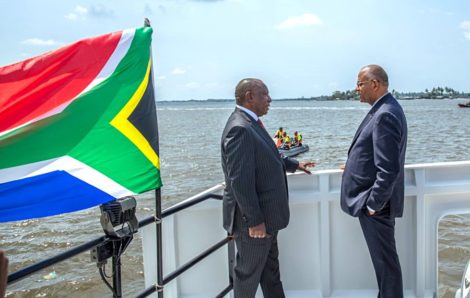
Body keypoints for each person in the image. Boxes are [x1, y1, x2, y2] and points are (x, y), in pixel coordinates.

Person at [221, 78, 314, 298]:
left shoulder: (251, 123)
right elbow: (240, 181)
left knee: (271, 274)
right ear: (249, 97)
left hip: (268, 220)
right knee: (247, 278)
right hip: (254, 224)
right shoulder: (240, 128)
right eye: (265, 94)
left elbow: (267, 155)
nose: (269, 99)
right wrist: (254, 221)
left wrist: (294, 164)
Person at [340, 65, 408, 298]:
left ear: (375, 84)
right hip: (377, 204)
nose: (356, 89)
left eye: (360, 83)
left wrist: (372, 205)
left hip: (377, 207)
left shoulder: (385, 114)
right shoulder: (384, 109)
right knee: (385, 265)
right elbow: (375, 155)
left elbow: (388, 168)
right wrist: (353, 166)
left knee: (386, 266)